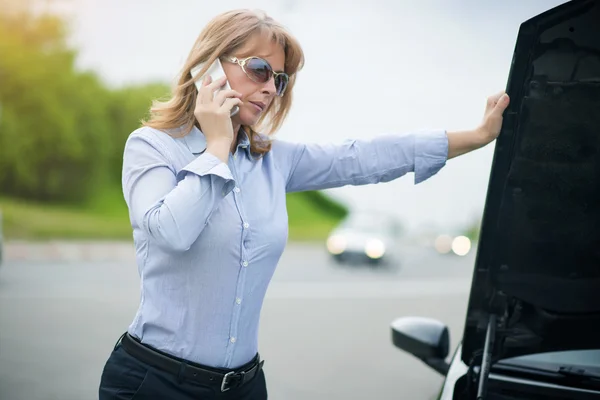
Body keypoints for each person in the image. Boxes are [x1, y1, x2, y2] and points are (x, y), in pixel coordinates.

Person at [98, 8, 510, 400]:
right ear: (209, 67)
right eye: (260, 70)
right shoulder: (152, 147)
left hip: (243, 388)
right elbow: (173, 232)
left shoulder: (275, 161)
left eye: (279, 80)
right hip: (153, 383)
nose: (270, 89)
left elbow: (362, 157)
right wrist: (217, 145)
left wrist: (475, 137)